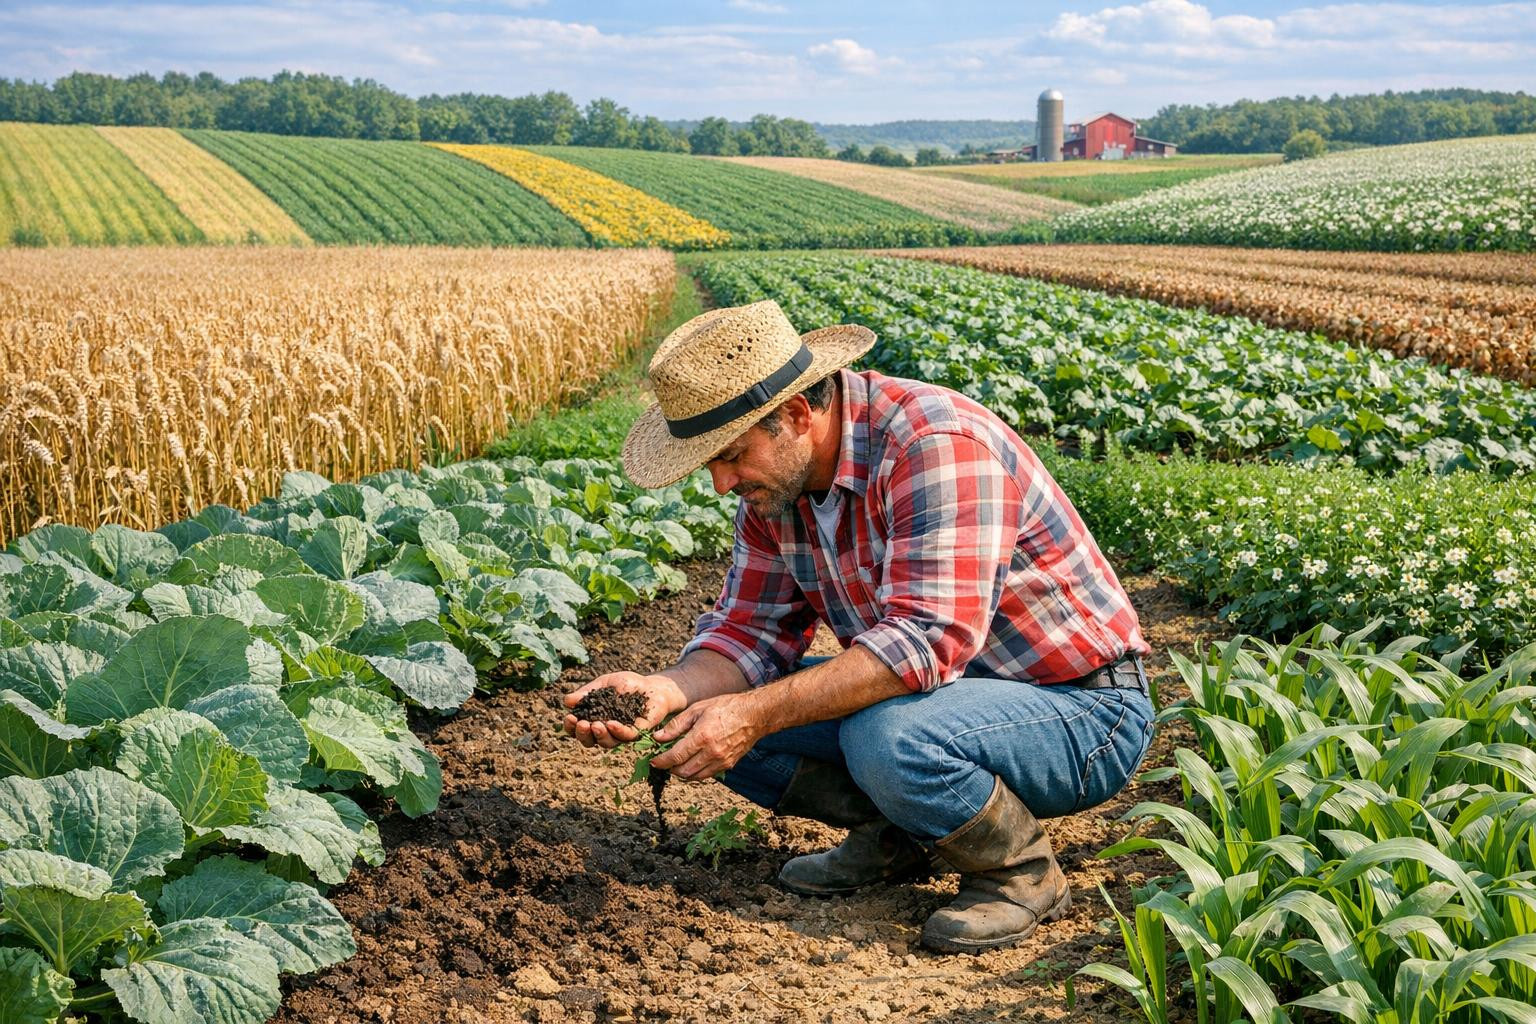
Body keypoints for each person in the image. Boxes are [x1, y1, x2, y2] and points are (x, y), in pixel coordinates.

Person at [563, 300, 1153, 953]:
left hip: (1080, 710)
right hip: (944, 704)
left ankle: (1019, 872)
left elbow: (929, 642)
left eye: (730, 456)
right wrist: (668, 690)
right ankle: (899, 838)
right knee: (709, 716)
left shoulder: (933, 445)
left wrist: (755, 713)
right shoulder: (777, 491)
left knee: (881, 734)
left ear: (795, 414)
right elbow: (748, 633)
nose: (723, 483)